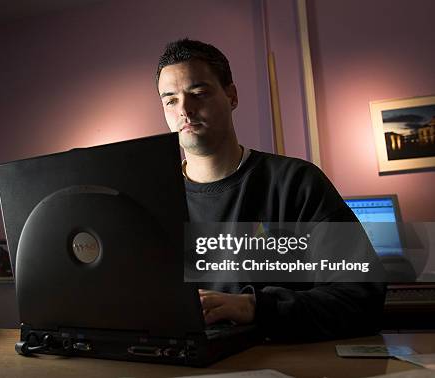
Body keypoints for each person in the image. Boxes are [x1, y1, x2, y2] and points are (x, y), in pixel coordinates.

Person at [156, 38, 386, 341]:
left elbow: (361, 297)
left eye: (198, 92)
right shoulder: (156, 200)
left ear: (232, 96)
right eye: (170, 100)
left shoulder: (296, 182)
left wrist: (255, 307)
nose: (184, 109)